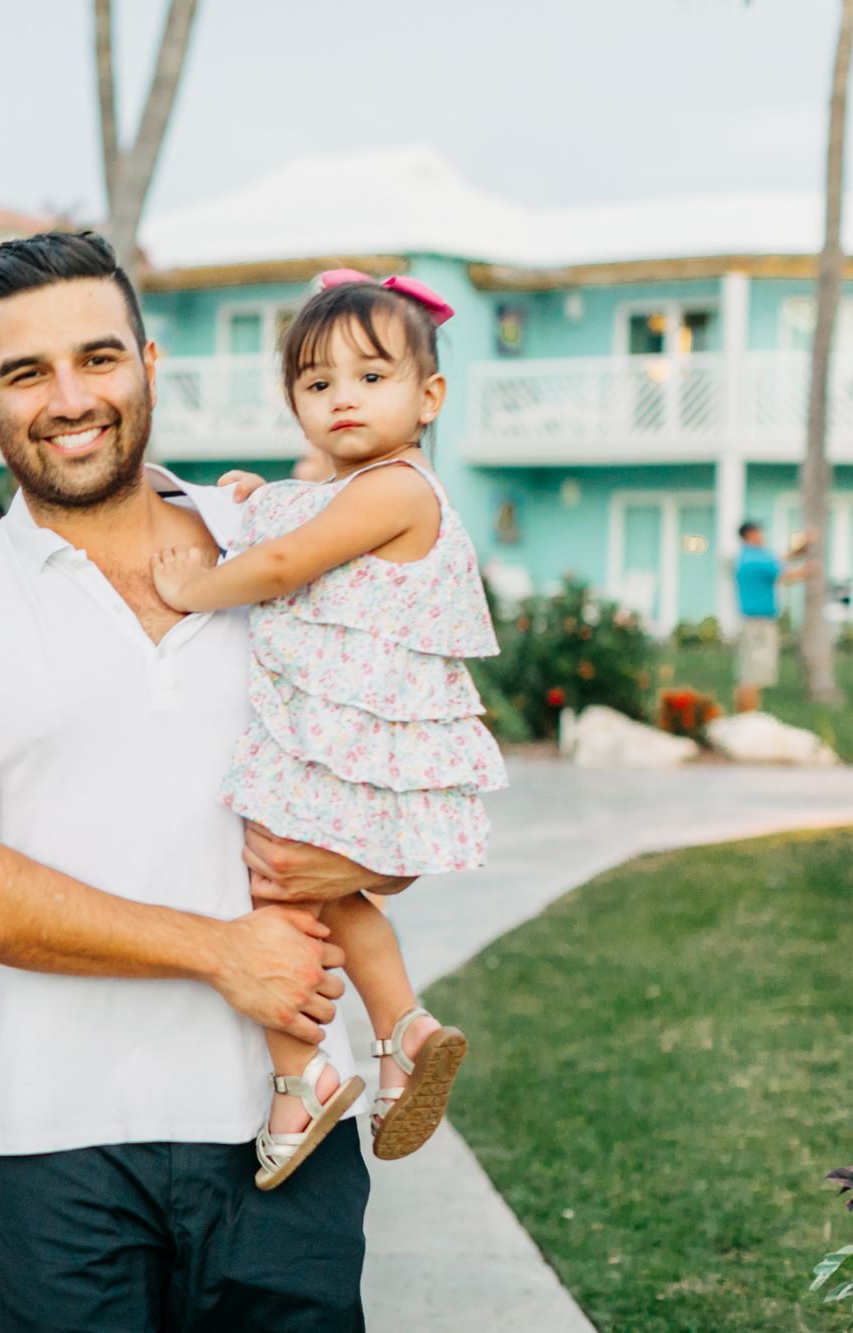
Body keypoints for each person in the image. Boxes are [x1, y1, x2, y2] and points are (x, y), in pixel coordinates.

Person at [0, 232, 401, 1331]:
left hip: (289, 1136)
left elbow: (406, 782)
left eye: (96, 359)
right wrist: (217, 951)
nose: (68, 398)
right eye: (26, 372)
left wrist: (369, 854)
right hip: (55, 1149)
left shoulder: (286, 544)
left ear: (149, 362)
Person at [151, 271, 508, 1187]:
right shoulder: (359, 489)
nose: (342, 396)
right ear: (295, 403)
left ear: (428, 397)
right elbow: (294, 520)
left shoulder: (397, 489)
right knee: (337, 899)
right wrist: (250, 493)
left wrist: (193, 584)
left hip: (349, 744)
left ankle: (300, 1075)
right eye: (317, 383)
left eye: (371, 377)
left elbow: (281, 563)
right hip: (352, 745)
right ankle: (403, 1032)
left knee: (271, 894)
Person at [732, 521, 807, 714]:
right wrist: (808, 571)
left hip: (751, 621)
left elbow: (776, 561)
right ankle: (749, 716)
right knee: (755, 672)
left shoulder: (746, 557)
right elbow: (783, 573)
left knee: (749, 670)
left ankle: (744, 715)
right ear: (749, 535)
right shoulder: (755, 558)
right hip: (759, 623)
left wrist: (796, 552)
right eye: (759, 533)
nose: (762, 537)